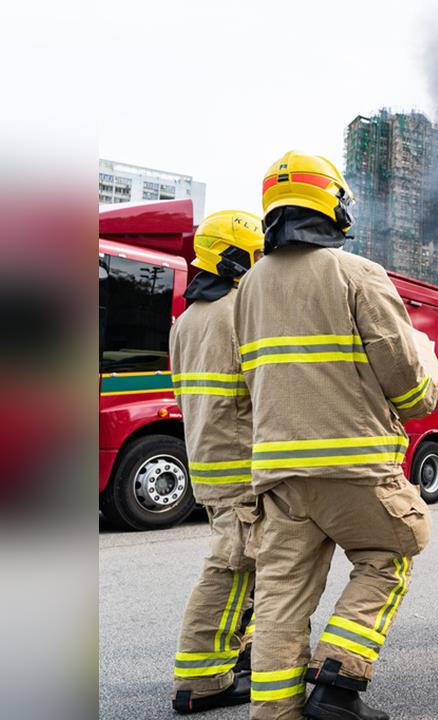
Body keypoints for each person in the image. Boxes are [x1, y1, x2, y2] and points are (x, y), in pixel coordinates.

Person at [236, 151, 438, 720]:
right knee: (392, 553)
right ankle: (337, 684)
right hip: (355, 466)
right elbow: (402, 375)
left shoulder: (249, 287)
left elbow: (247, 383)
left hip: (279, 476)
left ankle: (275, 713)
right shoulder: (357, 274)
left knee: (280, 596)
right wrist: (427, 394)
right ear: (333, 206)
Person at [169, 210, 265, 714]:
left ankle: (243, 651)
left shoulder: (187, 321)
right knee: (231, 568)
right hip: (243, 465)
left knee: (248, 567)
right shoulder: (237, 312)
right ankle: (200, 681)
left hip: (208, 463)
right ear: (232, 258)